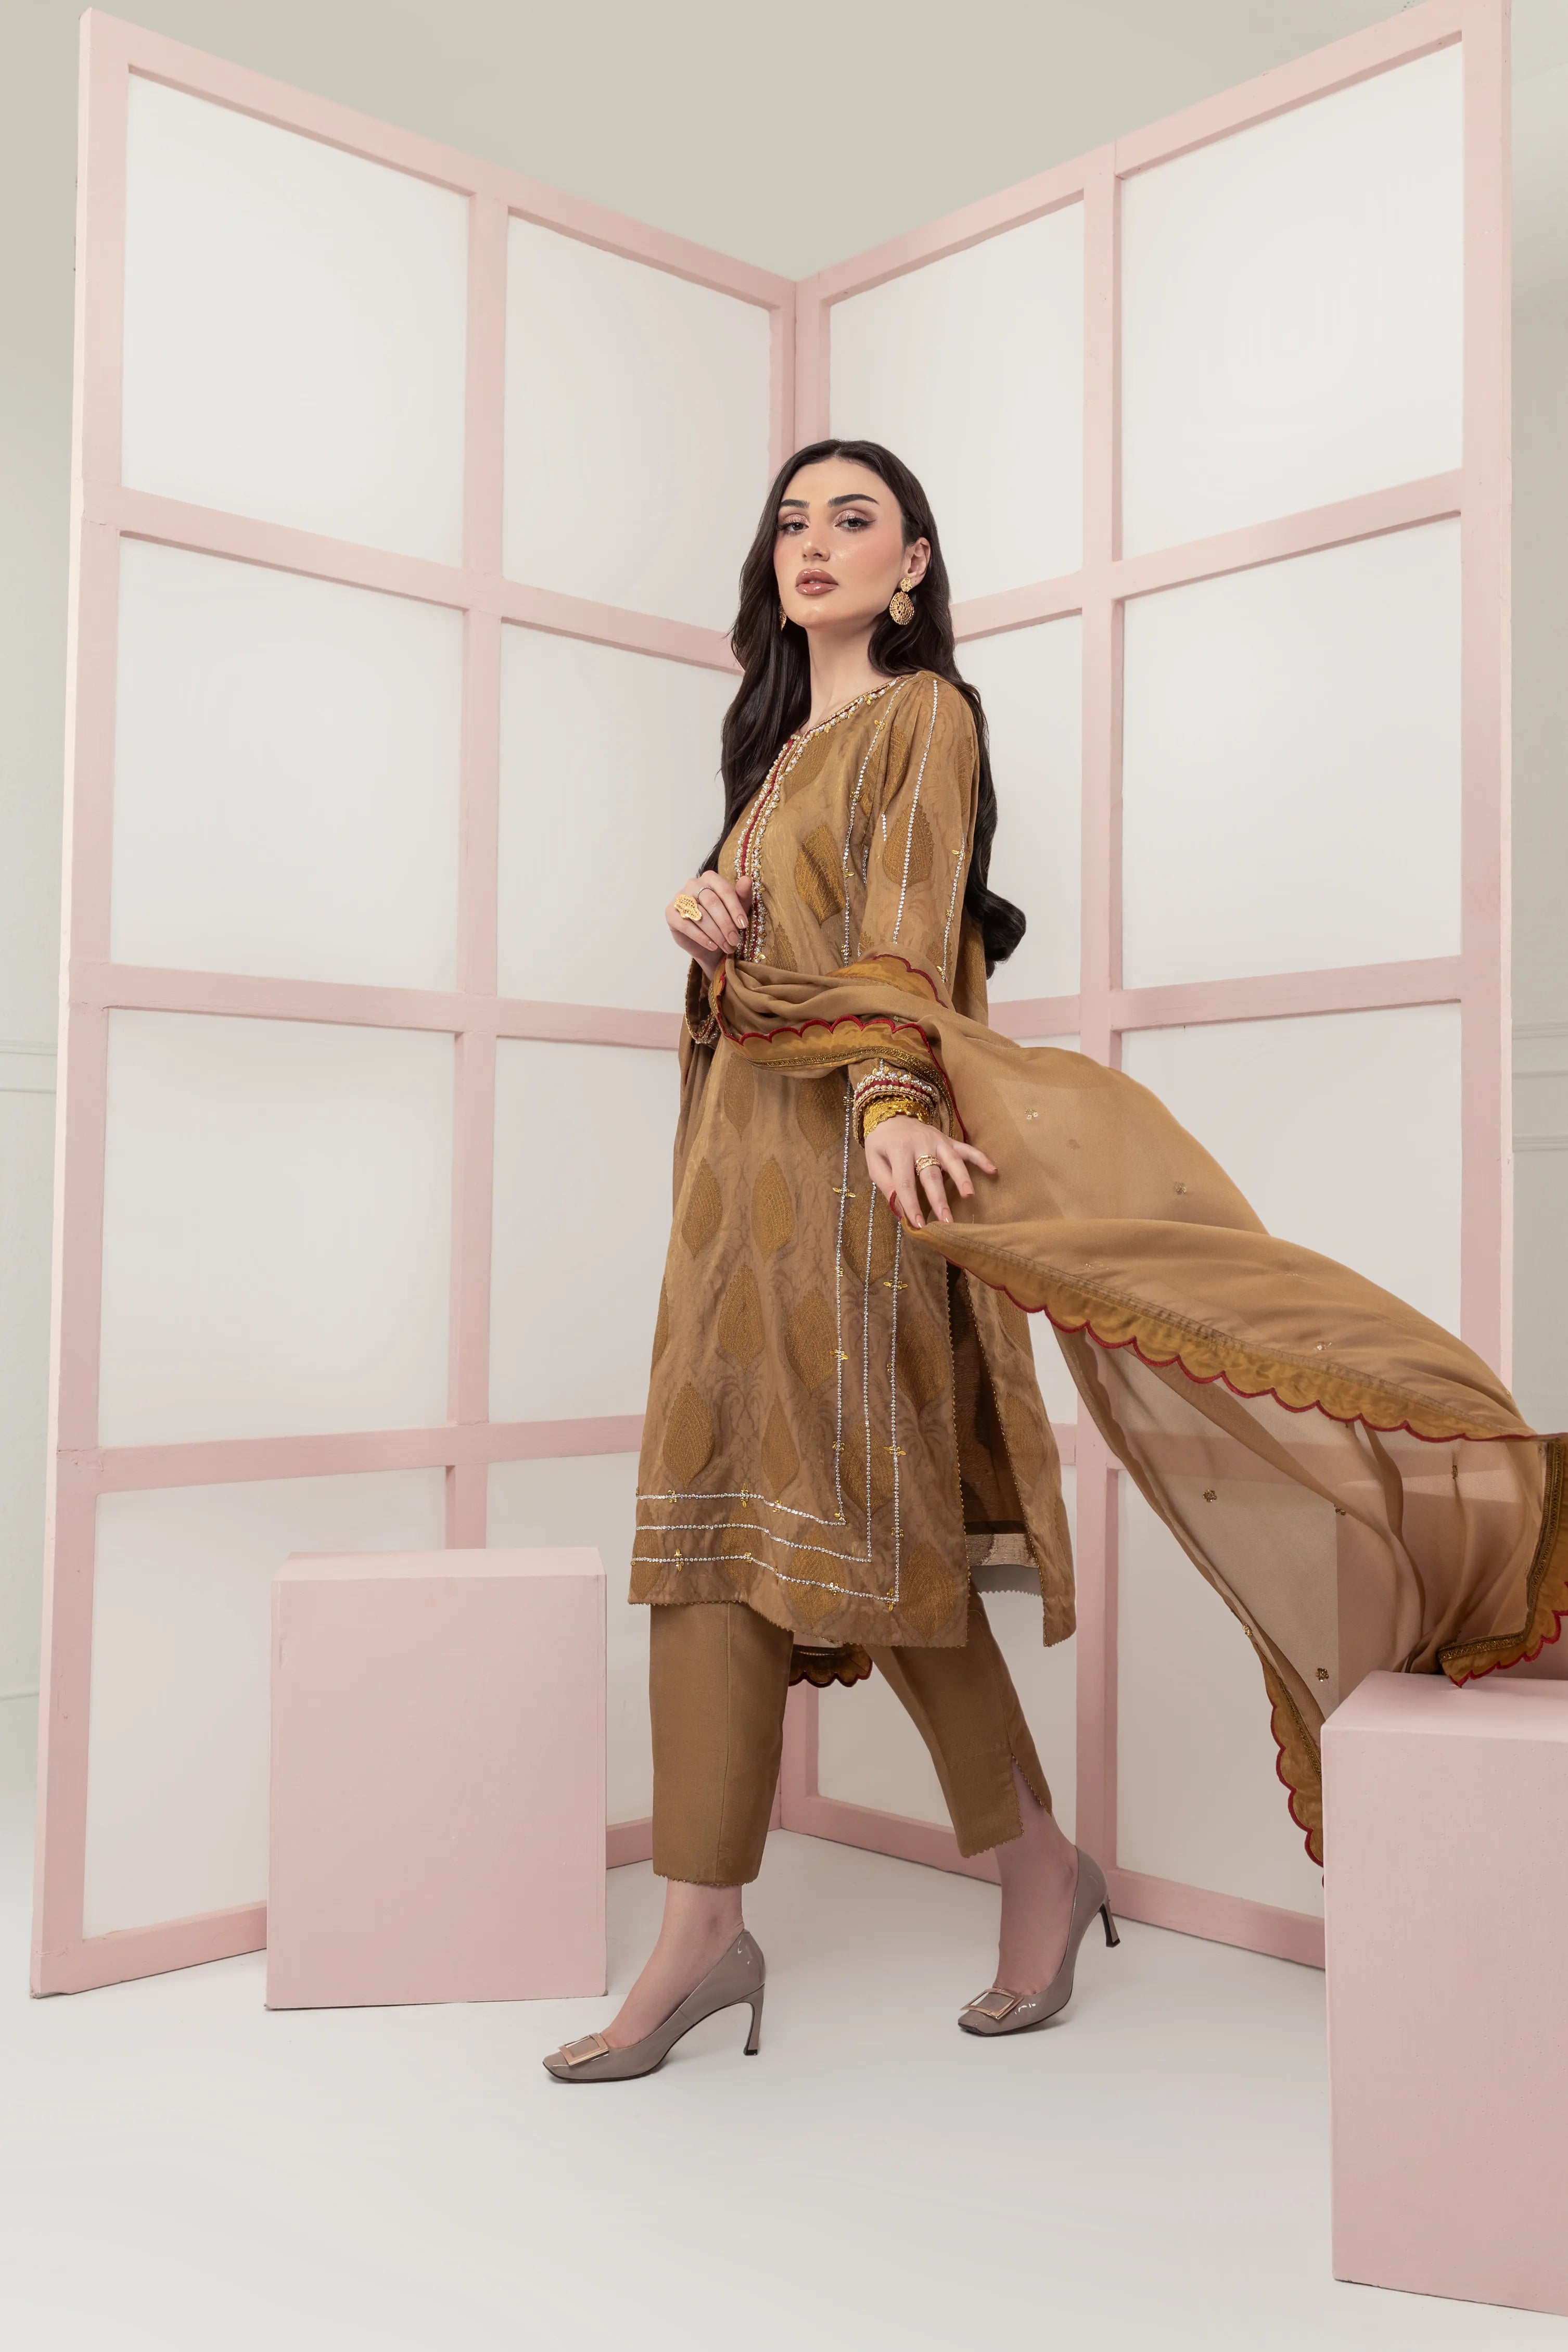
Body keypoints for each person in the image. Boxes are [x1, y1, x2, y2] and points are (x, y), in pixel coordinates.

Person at [544, 441, 1566, 2083]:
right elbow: (781, 963)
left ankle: (1036, 1865)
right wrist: (702, 914)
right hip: (732, 1189)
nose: (814, 544)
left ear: (915, 564)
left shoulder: (925, 719)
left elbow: (907, 930)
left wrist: (892, 1102)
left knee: (881, 1540)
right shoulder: (774, 750)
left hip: (858, 1178)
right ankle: (698, 1930)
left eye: (854, 520)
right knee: (704, 1536)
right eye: (792, 522)